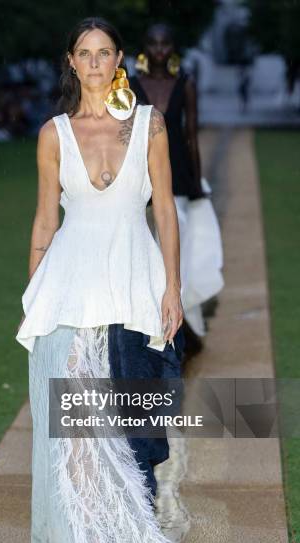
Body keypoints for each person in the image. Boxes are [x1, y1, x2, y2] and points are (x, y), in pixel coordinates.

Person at [16, 17, 186, 543]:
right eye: (83, 53)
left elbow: (165, 210)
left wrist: (173, 287)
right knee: (81, 433)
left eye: (104, 52)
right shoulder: (54, 133)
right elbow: (45, 220)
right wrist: (33, 296)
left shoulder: (149, 126)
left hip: (134, 284)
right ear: (71, 61)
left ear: (119, 60)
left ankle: (127, 532)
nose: (93, 62)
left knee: (128, 423)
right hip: (71, 292)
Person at [130, 23, 224, 357]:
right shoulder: (130, 85)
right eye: (153, 43)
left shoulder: (185, 84)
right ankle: (151, 326)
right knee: (146, 248)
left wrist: (197, 181)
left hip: (180, 172)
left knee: (176, 243)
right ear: (144, 47)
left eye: (164, 43)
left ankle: (180, 326)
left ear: (173, 47)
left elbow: (190, 135)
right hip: (141, 172)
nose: (159, 50)